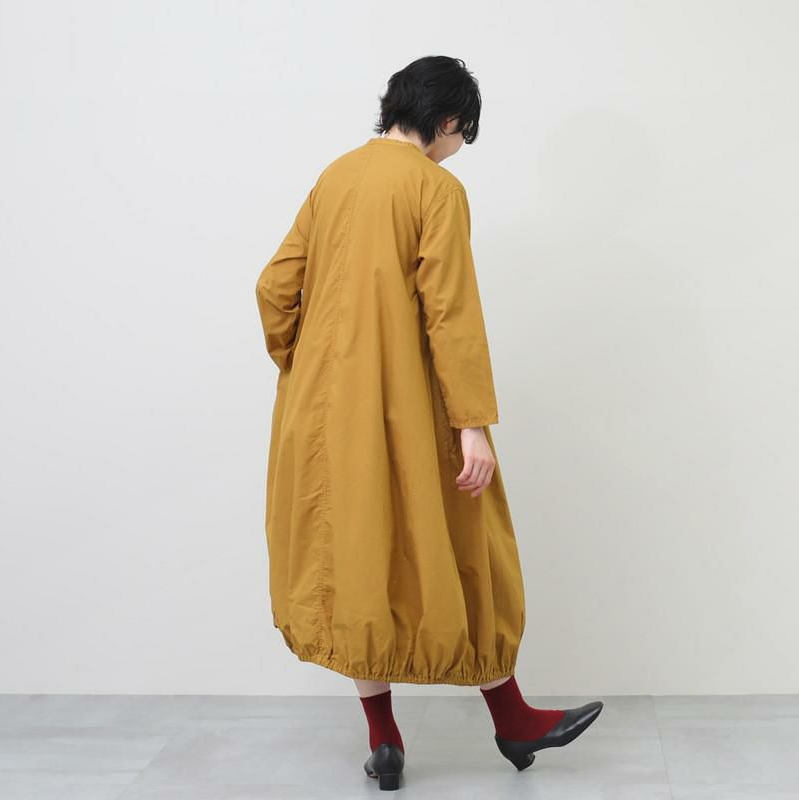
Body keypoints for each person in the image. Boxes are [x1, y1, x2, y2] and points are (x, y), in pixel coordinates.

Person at [255, 55, 603, 791]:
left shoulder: (335, 177)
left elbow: (276, 287)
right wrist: (472, 423)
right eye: (462, 133)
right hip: (410, 406)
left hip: (319, 414)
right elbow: (451, 313)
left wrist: (308, 367)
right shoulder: (435, 188)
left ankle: (384, 741)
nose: (459, 147)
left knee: (358, 560)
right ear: (446, 120)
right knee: (468, 544)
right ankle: (513, 719)